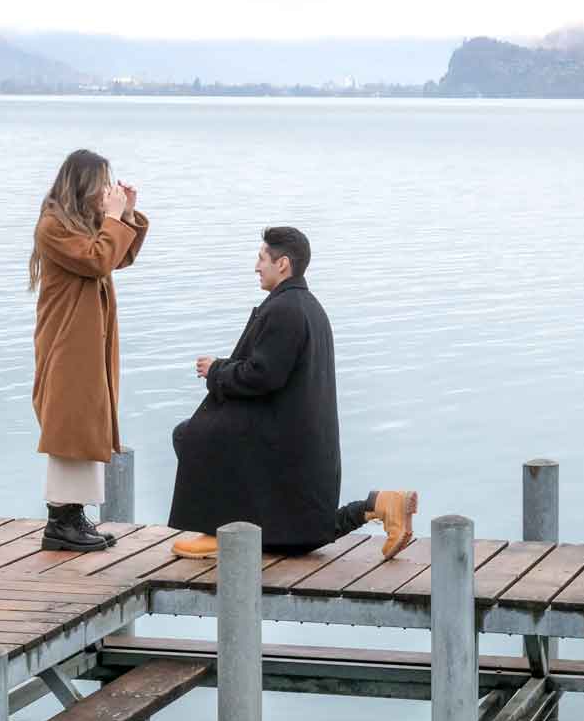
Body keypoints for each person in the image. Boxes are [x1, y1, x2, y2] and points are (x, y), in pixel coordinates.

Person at [167, 226, 417, 559]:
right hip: (301, 443)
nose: (256, 267)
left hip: (282, 445)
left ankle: (221, 531)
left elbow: (263, 375)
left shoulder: (285, 309)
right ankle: (381, 504)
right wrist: (223, 368)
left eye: (261, 259)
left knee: (190, 436)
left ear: (282, 264)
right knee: (300, 536)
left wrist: (216, 372)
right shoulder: (308, 307)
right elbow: (274, 369)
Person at [30, 149, 148, 551]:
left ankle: (74, 515)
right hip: (67, 343)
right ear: (81, 184)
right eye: (101, 182)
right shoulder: (54, 226)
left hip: (86, 342)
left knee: (86, 424)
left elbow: (119, 255)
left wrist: (127, 213)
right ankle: (60, 522)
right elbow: (99, 260)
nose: (105, 190)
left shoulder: (78, 224)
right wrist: (114, 219)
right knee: (71, 429)